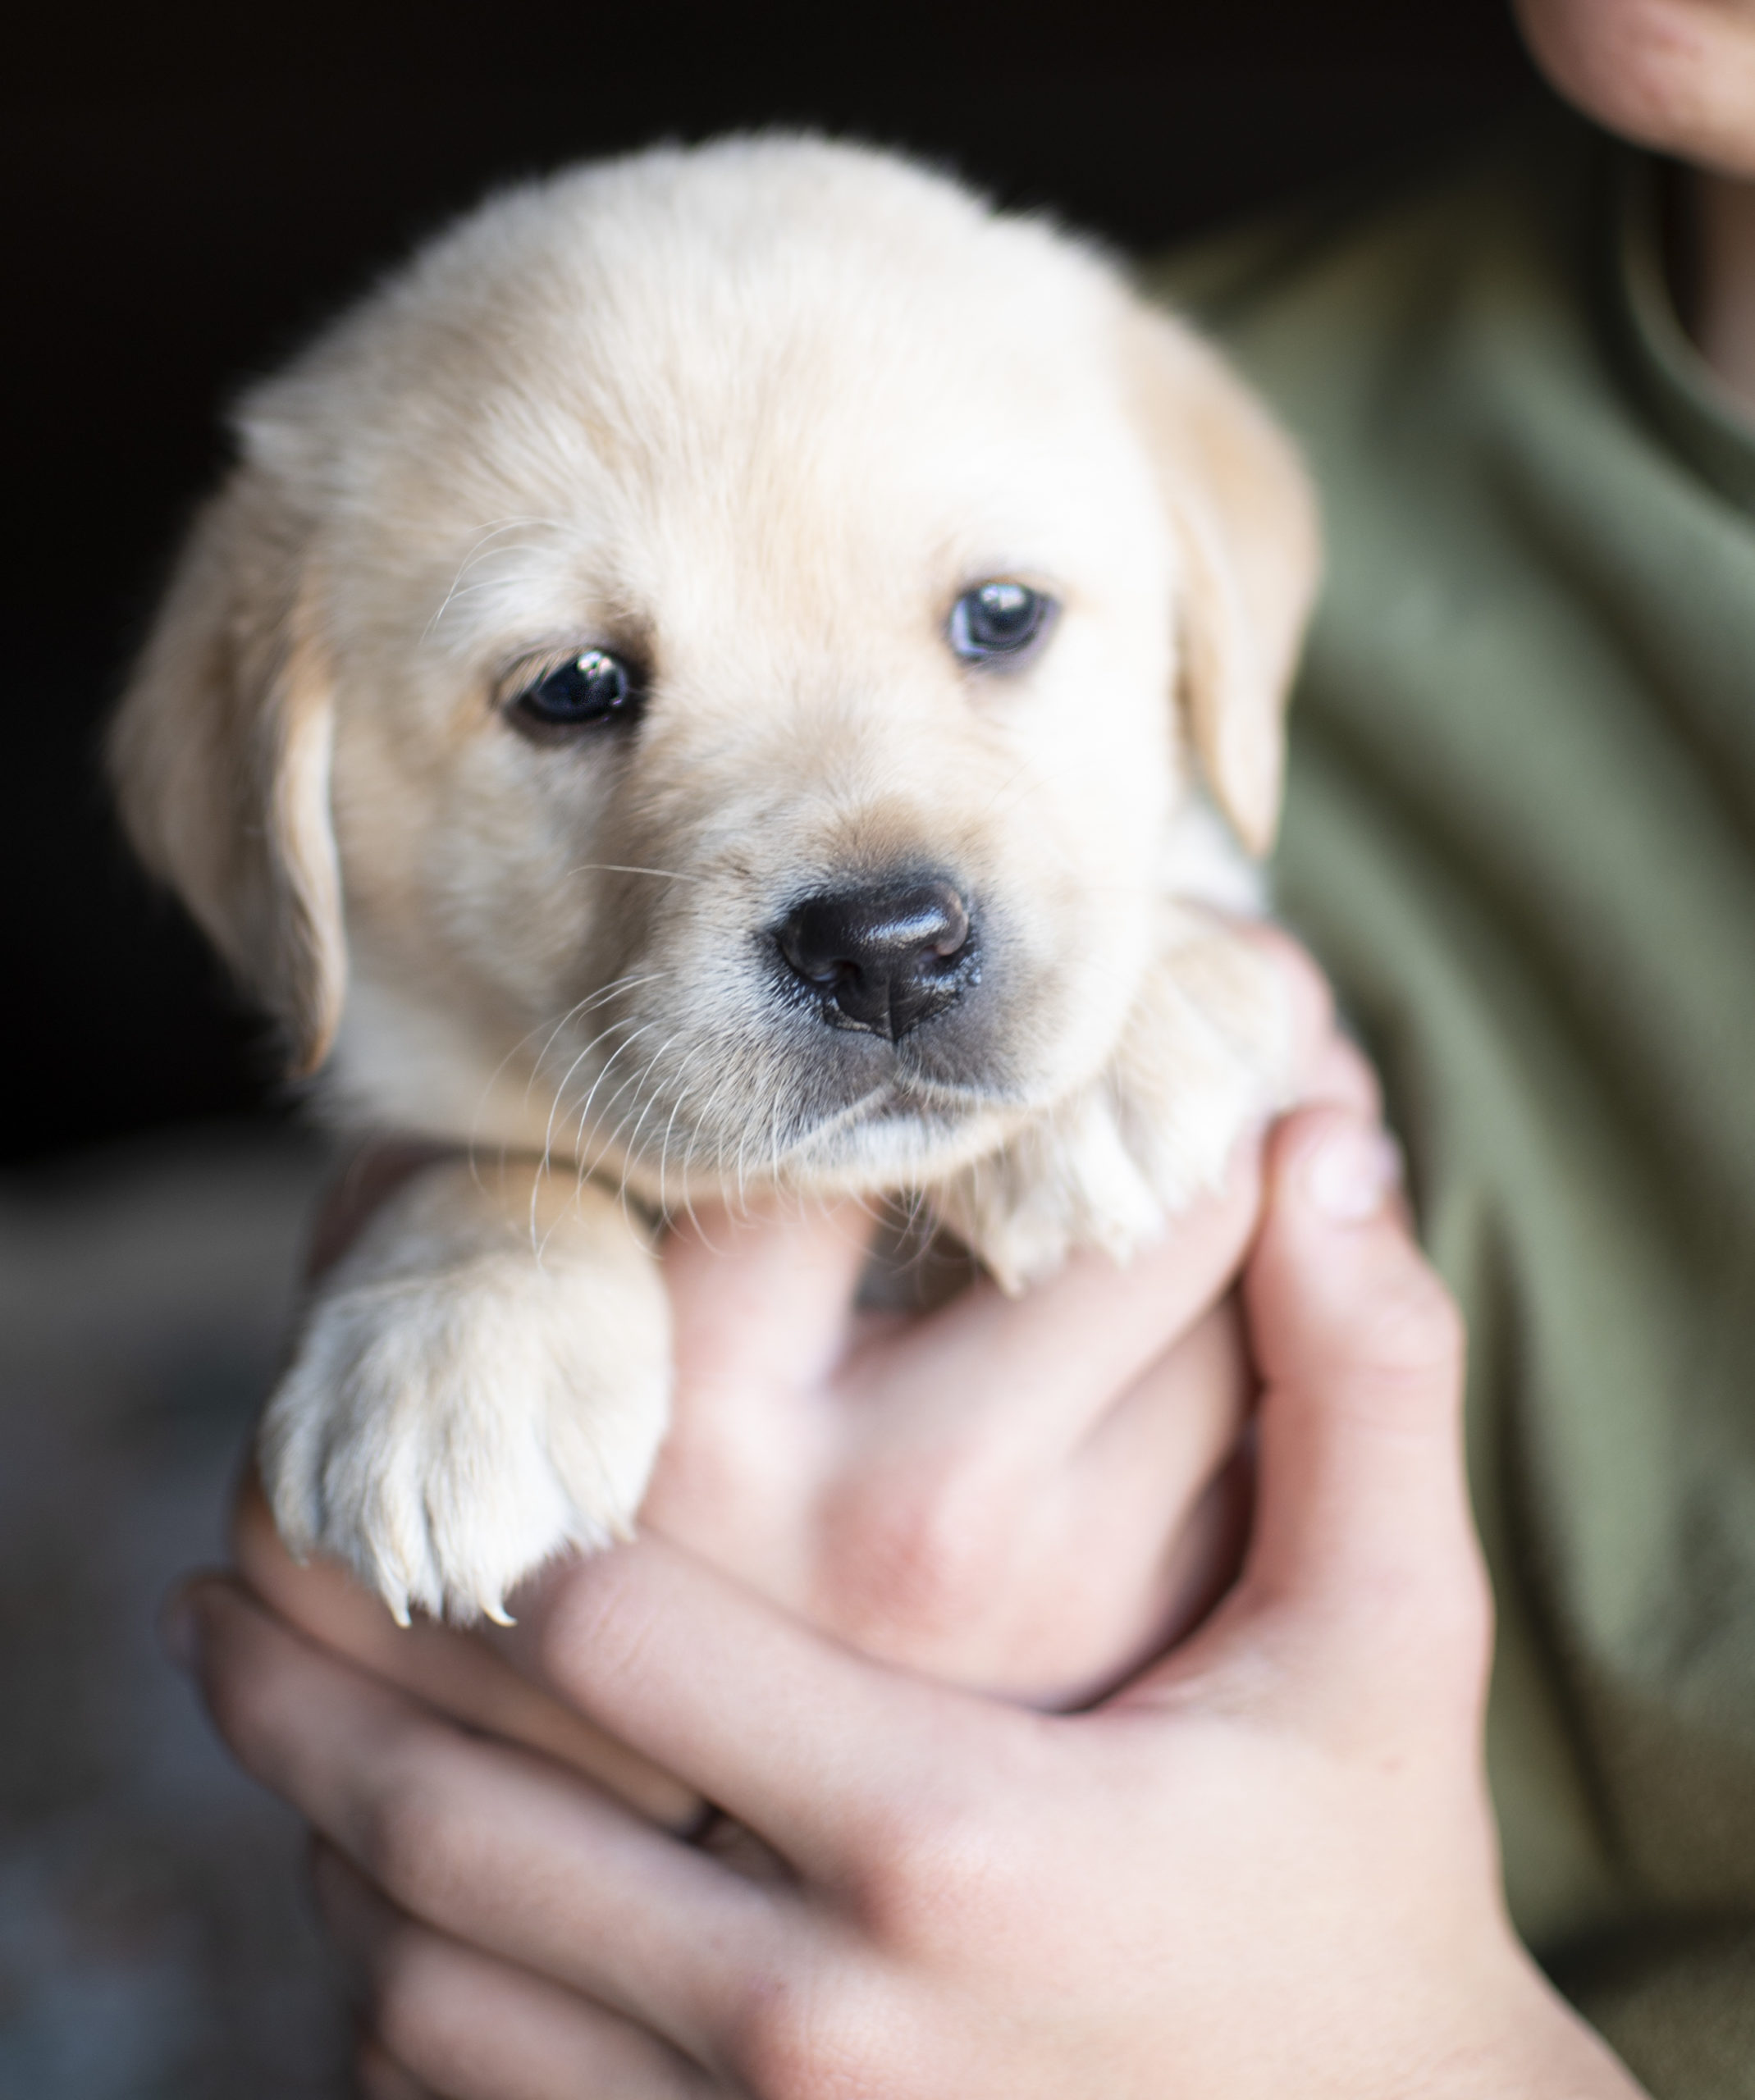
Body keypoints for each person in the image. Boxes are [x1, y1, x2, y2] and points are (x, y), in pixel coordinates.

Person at [163, 1, 1755, 2092]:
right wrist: (494, 1226)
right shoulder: (1153, 353)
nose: (886, 894)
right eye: (571, 688)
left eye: (994, 625)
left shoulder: (1092, 389)